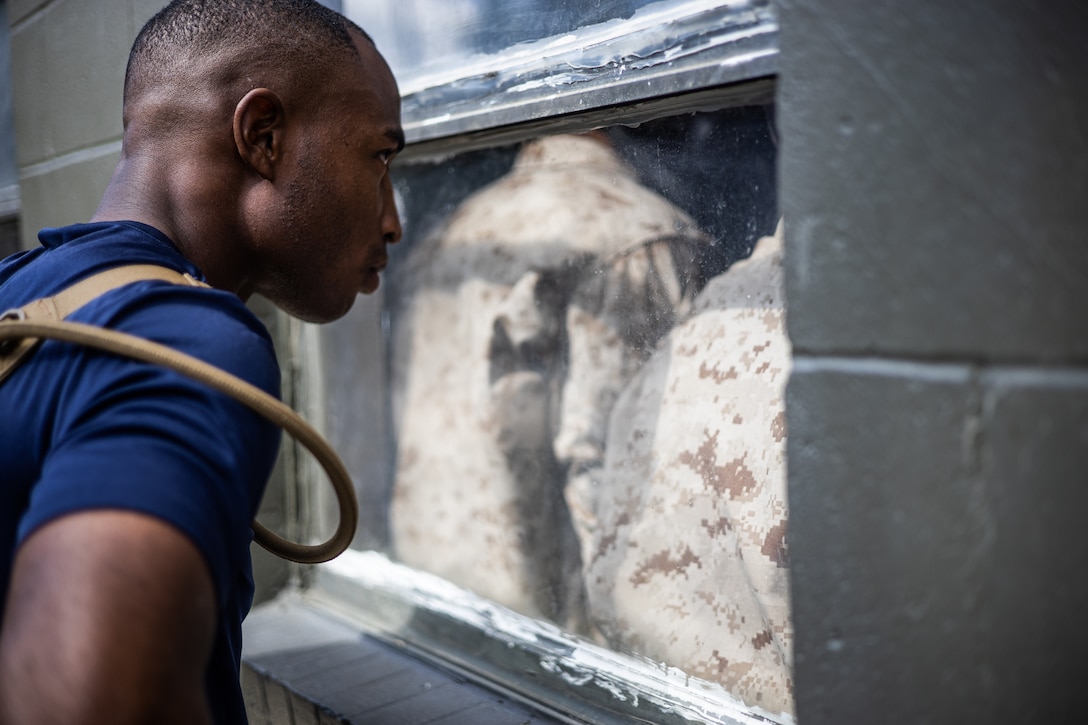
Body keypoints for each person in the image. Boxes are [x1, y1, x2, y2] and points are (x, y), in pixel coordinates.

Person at [0, 1, 402, 723]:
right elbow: (81, 695)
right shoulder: (188, 340)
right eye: (380, 157)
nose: (392, 218)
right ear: (264, 136)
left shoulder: (18, 287)